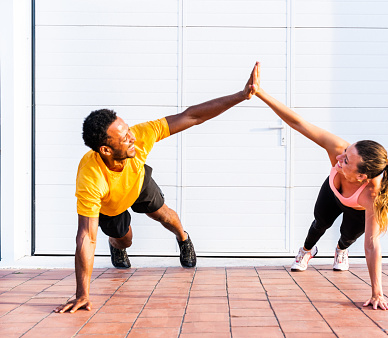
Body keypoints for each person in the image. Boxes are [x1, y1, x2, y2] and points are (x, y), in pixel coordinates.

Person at [54, 62, 260, 314]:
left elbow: (191, 116)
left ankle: (183, 238)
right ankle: (117, 245)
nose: (132, 137)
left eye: (128, 130)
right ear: (106, 150)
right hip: (110, 203)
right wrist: (82, 294)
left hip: (138, 182)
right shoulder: (91, 176)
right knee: (124, 240)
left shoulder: (139, 137)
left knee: (164, 215)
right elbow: (86, 236)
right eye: (124, 137)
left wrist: (241, 95)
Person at [253, 63, 388, 310]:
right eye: (345, 152)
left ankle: (340, 250)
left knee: (348, 237)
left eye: (347, 161)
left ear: (363, 176)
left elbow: (372, 245)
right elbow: (299, 123)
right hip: (333, 193)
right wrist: (260, 92)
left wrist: (377, 293)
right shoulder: (339, 151)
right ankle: (307, 251)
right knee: (320, 222)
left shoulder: (372, 195)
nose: (339, 159)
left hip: (356, 207)